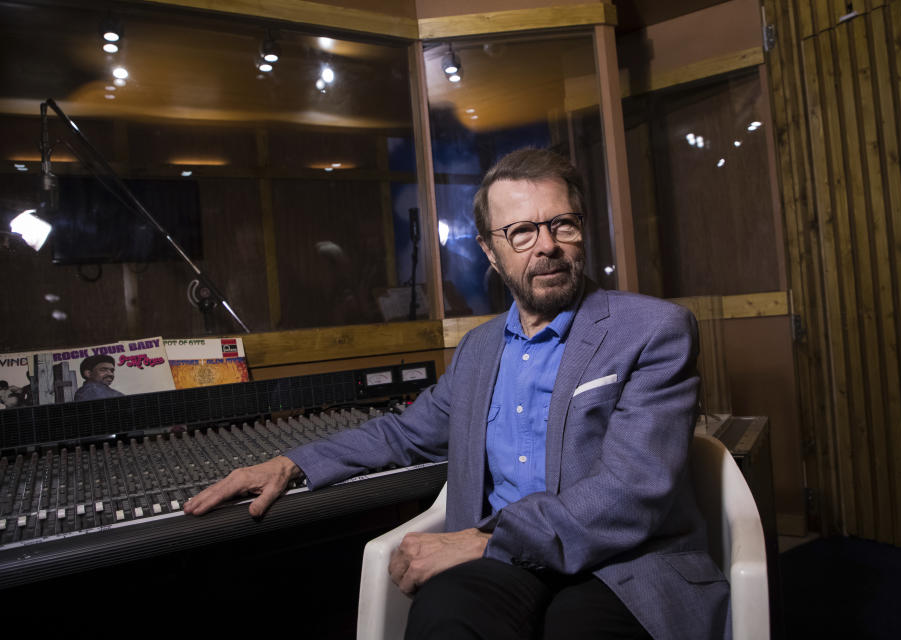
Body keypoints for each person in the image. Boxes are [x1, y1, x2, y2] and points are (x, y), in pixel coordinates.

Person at [185, 148, 730, 639]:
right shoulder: (478, 350)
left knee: (576, 629)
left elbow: (631, 493)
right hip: (509, 566)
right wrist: (291, 462)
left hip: (623, 565)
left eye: (562, 224)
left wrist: (483, 542)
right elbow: (405, 433)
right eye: (521, 232)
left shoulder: (654, 330)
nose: (547, 246)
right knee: (446, 617)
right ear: (491, 253)